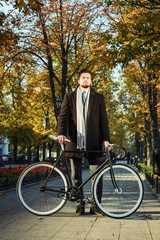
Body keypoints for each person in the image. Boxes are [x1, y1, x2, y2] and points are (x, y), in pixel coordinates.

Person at [57, 69, 110, 215]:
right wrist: (61, 133)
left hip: (94, 141)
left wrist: (106, 139)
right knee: (76, 176)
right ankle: (80, 205)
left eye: (88, 78)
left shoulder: (98, 97)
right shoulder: (70, 96)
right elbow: (63, 117)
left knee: (97, 175)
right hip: (74, 141)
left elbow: (103, 120)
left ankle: (96, 206)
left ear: (91, 81)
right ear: (78, 80)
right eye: (83, 78)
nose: (86, 80)